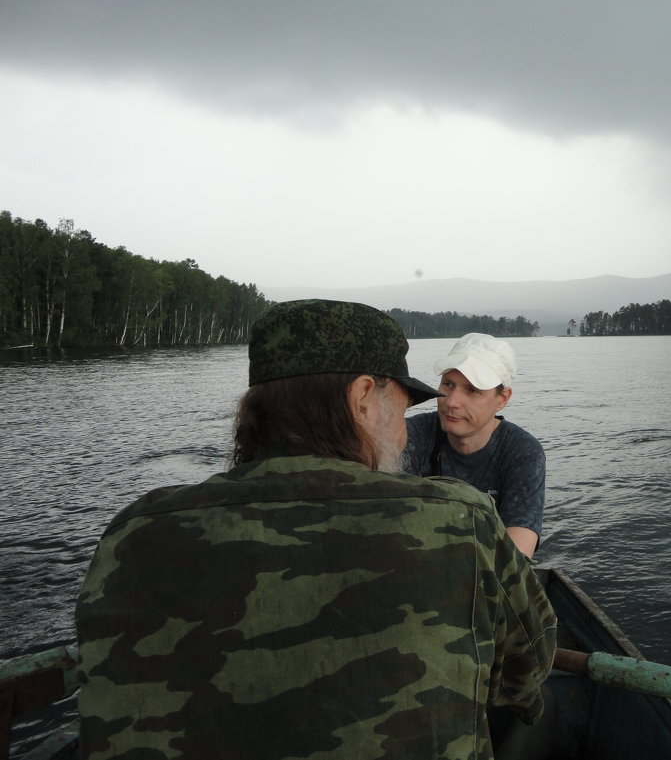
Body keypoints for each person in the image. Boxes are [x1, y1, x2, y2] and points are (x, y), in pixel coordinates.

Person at [75, 299, 557, 760]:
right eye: (404, 404)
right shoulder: (463, 520)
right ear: (363, 397)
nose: (409, 428)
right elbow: (523, 678)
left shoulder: (130, 534)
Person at [405, 333, 546, 557]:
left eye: (472, 390)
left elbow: (518, 552)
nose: (451, 401)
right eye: (448, 384)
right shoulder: (410, 435)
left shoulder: (522, 452)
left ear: (502, 399)